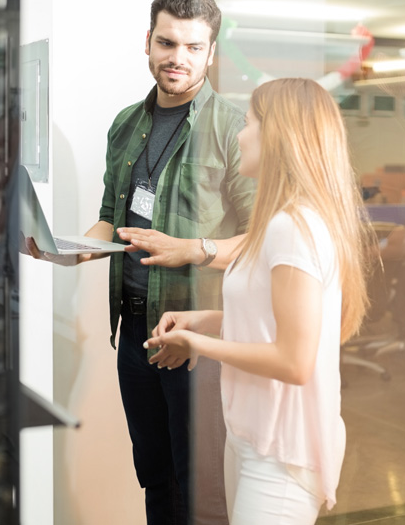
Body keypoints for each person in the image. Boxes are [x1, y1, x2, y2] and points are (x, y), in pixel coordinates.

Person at [25, 0, 255, 524]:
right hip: (135, 331)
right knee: (153, 473)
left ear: (211, 53)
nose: (178, 58)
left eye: (193, 47)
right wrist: (71, 252)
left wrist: (195, 250)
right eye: (168, 43)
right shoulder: (126, 124)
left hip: (197, 338)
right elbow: (113, 217)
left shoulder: (233, 129)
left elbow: (259, 238)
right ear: (148, 41)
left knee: (200, 488)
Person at [142, 78, 375, 525]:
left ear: (277, 136)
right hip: (251, 435)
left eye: (248, 123)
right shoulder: (278, 223)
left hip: (281, 452)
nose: (239, 134)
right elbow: (271, 320)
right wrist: (205, 321)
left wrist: (199, 345)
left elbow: (293, 360)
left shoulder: (294, 228)